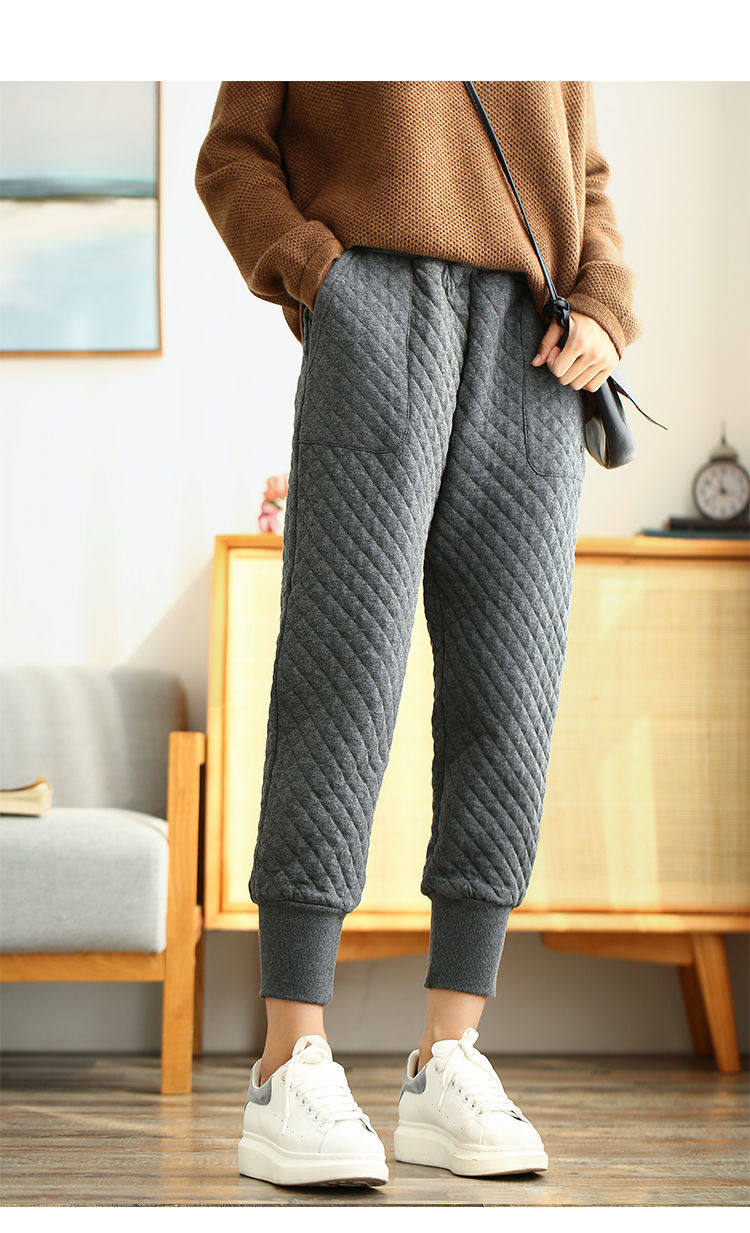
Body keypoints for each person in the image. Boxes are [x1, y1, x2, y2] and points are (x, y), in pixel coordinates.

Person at [195, 81, 640, 1188]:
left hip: (534, 350)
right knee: (340, 680)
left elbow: (582, 172)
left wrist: (604, 303)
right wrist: (324, 277)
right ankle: (287, 1061)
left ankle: (451, 1055)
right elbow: (233, 155)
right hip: (380, 316)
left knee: (509, 698)